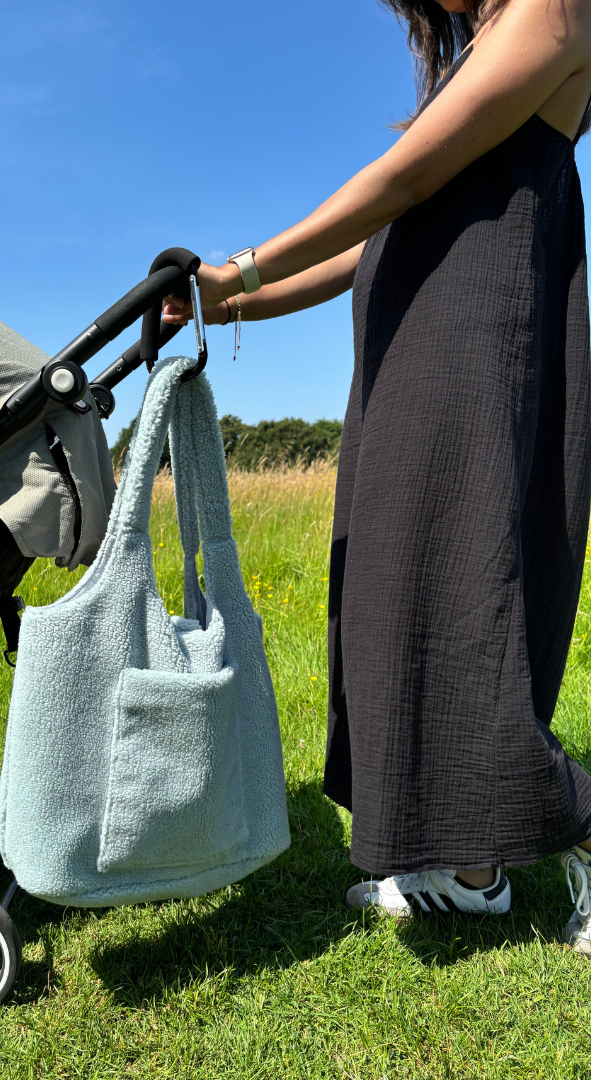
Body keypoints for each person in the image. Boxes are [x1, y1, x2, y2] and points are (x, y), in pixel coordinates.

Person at [163, 0, 591, 951]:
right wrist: (231, 303)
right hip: (412, 342)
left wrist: (235, 271)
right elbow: (376, 241)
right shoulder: (477, 50)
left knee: (463, 591)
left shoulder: (552, 10)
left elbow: (406, 174)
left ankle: (566, 822)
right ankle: (468, 867)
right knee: (396, 597)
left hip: (478, 340)